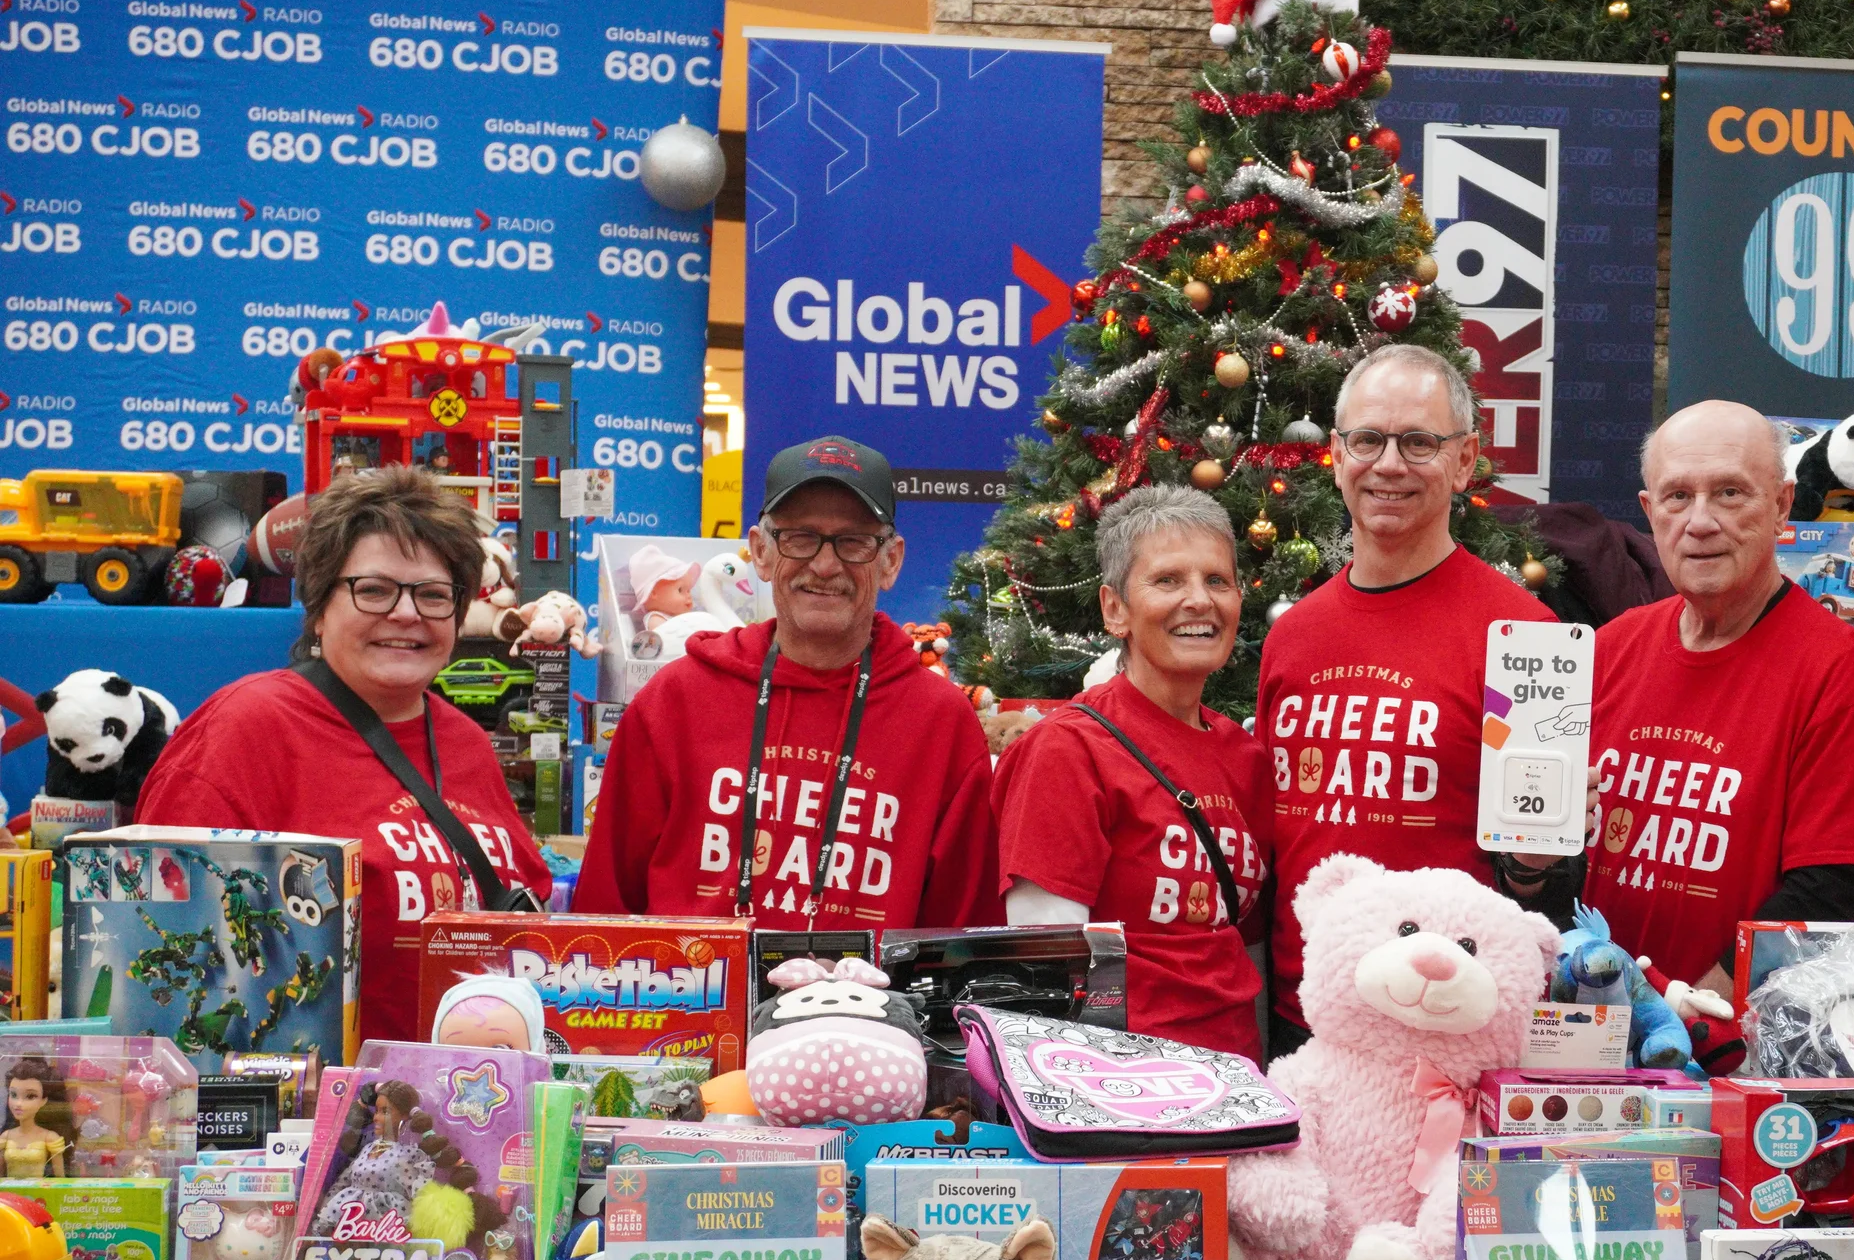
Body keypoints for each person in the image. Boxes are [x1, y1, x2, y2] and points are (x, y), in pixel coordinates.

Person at [135, 467, 552, 1043]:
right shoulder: (247, 728)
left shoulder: (465, 742)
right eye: (374, 590)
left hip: (469, 1100)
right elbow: (166, 945)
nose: (406, 614)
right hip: (308, 1111)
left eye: (433, 595)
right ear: (321, 601)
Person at [1256, 344, 1555, 1058]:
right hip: (1304, 1019)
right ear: (1336, 453)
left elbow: (1538, 878)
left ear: (1464, 460)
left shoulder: (1524, 636)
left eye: (1419, 441)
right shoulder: (1292, 636)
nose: (1389, 464)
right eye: (1368, 439)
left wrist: (1536, 862)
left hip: (1445, 1032)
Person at [574, 434, 998, 928]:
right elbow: (602, 918)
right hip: (694, 1004)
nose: (824, 564)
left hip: (873, 1005)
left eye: (854, 541)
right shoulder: (675, 701)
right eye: (799, 537)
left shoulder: (941, 722)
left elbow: (963, 936)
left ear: (891, 561)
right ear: (760, 552)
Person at [1583, 401, 1854, 998]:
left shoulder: (1839, 671)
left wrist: (1691, 1018)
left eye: (1730, 493)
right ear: (1650, 514)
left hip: (1724, 1056)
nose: (1699, 522)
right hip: (1583, 1029)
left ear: (1781, 505)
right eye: (1677, 497)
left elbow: (1827, 889)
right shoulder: (1610, 648)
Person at [992, 487, 1269, 1060]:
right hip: (1123, 1085)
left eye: (1218, 581)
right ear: (1114, 608)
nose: (1199, 600)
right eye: (1168, 581)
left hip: (1240, 1080)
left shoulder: (1246, 757)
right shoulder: (1068, 750)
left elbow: (1249, 942)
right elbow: (1050, 963)